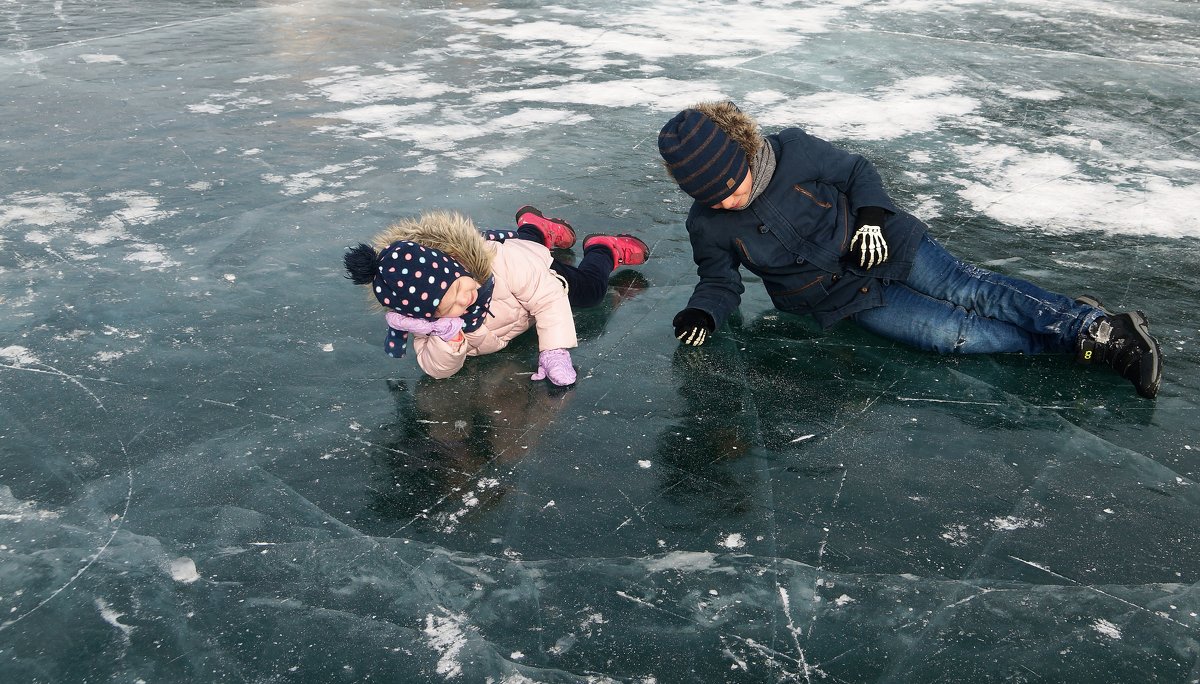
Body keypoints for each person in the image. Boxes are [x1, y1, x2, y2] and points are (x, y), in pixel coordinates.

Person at [657, 101, 1162, 398]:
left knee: (972, 289)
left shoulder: (792, 150)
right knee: (951, 336)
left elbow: (858, 172)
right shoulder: (708, 224)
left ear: (741, 153)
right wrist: (703, 310)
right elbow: (719, 281)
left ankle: (1096, 327)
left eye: (732, 184)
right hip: (842, 300)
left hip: (885, 243)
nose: (728, 200)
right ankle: (1068, 338)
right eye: (712, 197)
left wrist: (873, 220)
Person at [343, 207, 650, 386]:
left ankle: (602, 249)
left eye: (460, 288)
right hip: (513, 308)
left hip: (534, 269)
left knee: (589, 292)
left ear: (454, 263)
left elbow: (547, 298)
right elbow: (436, 369)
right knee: (527, 242)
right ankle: (534, 226)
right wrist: (447, 340)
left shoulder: (500, 264)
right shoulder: (428, 321)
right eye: (450, 308)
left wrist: (554, 350)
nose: (465, 299)